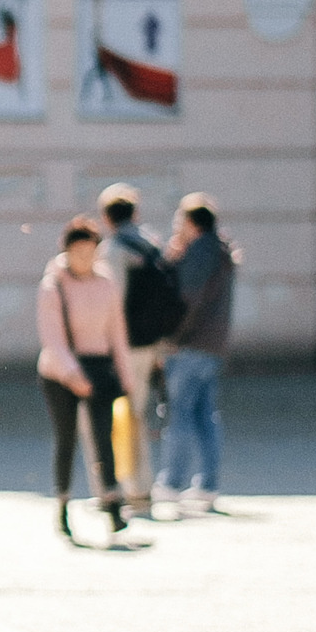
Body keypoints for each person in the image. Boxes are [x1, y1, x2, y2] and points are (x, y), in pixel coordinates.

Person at [36, 216, 143, 540]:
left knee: (103, 437)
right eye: (78, 251)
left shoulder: (105, 282)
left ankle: (112, 505)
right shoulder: (52, 285)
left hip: (99, 368)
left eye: (90, 251)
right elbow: (52, 338)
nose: (84, 258)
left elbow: (117, 333)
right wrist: (72, 375)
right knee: (66, 439)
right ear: (67, 250)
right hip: (58, 372)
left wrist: (126, 376)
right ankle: (63, 504)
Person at [99, 184, 184, 514]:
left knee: (127, 415)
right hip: (152, 341)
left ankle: (134, 488)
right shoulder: (151, 243)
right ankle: (136, 486)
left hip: (127, 345)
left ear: (107, 217)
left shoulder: (116, 248)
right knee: (138, 411)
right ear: (134, 212)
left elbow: (114, 302)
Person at [161, 193, 236, 516]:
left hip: (191, 345)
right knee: (205, 415)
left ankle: (172, 483)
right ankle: (207, 484)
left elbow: (189, 298)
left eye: (180, 220)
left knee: (179, 414)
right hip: (213, 345)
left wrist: (173, 337)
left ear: (192, 223)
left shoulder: (201, 251)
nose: (177, 227)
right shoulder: (219, 250)